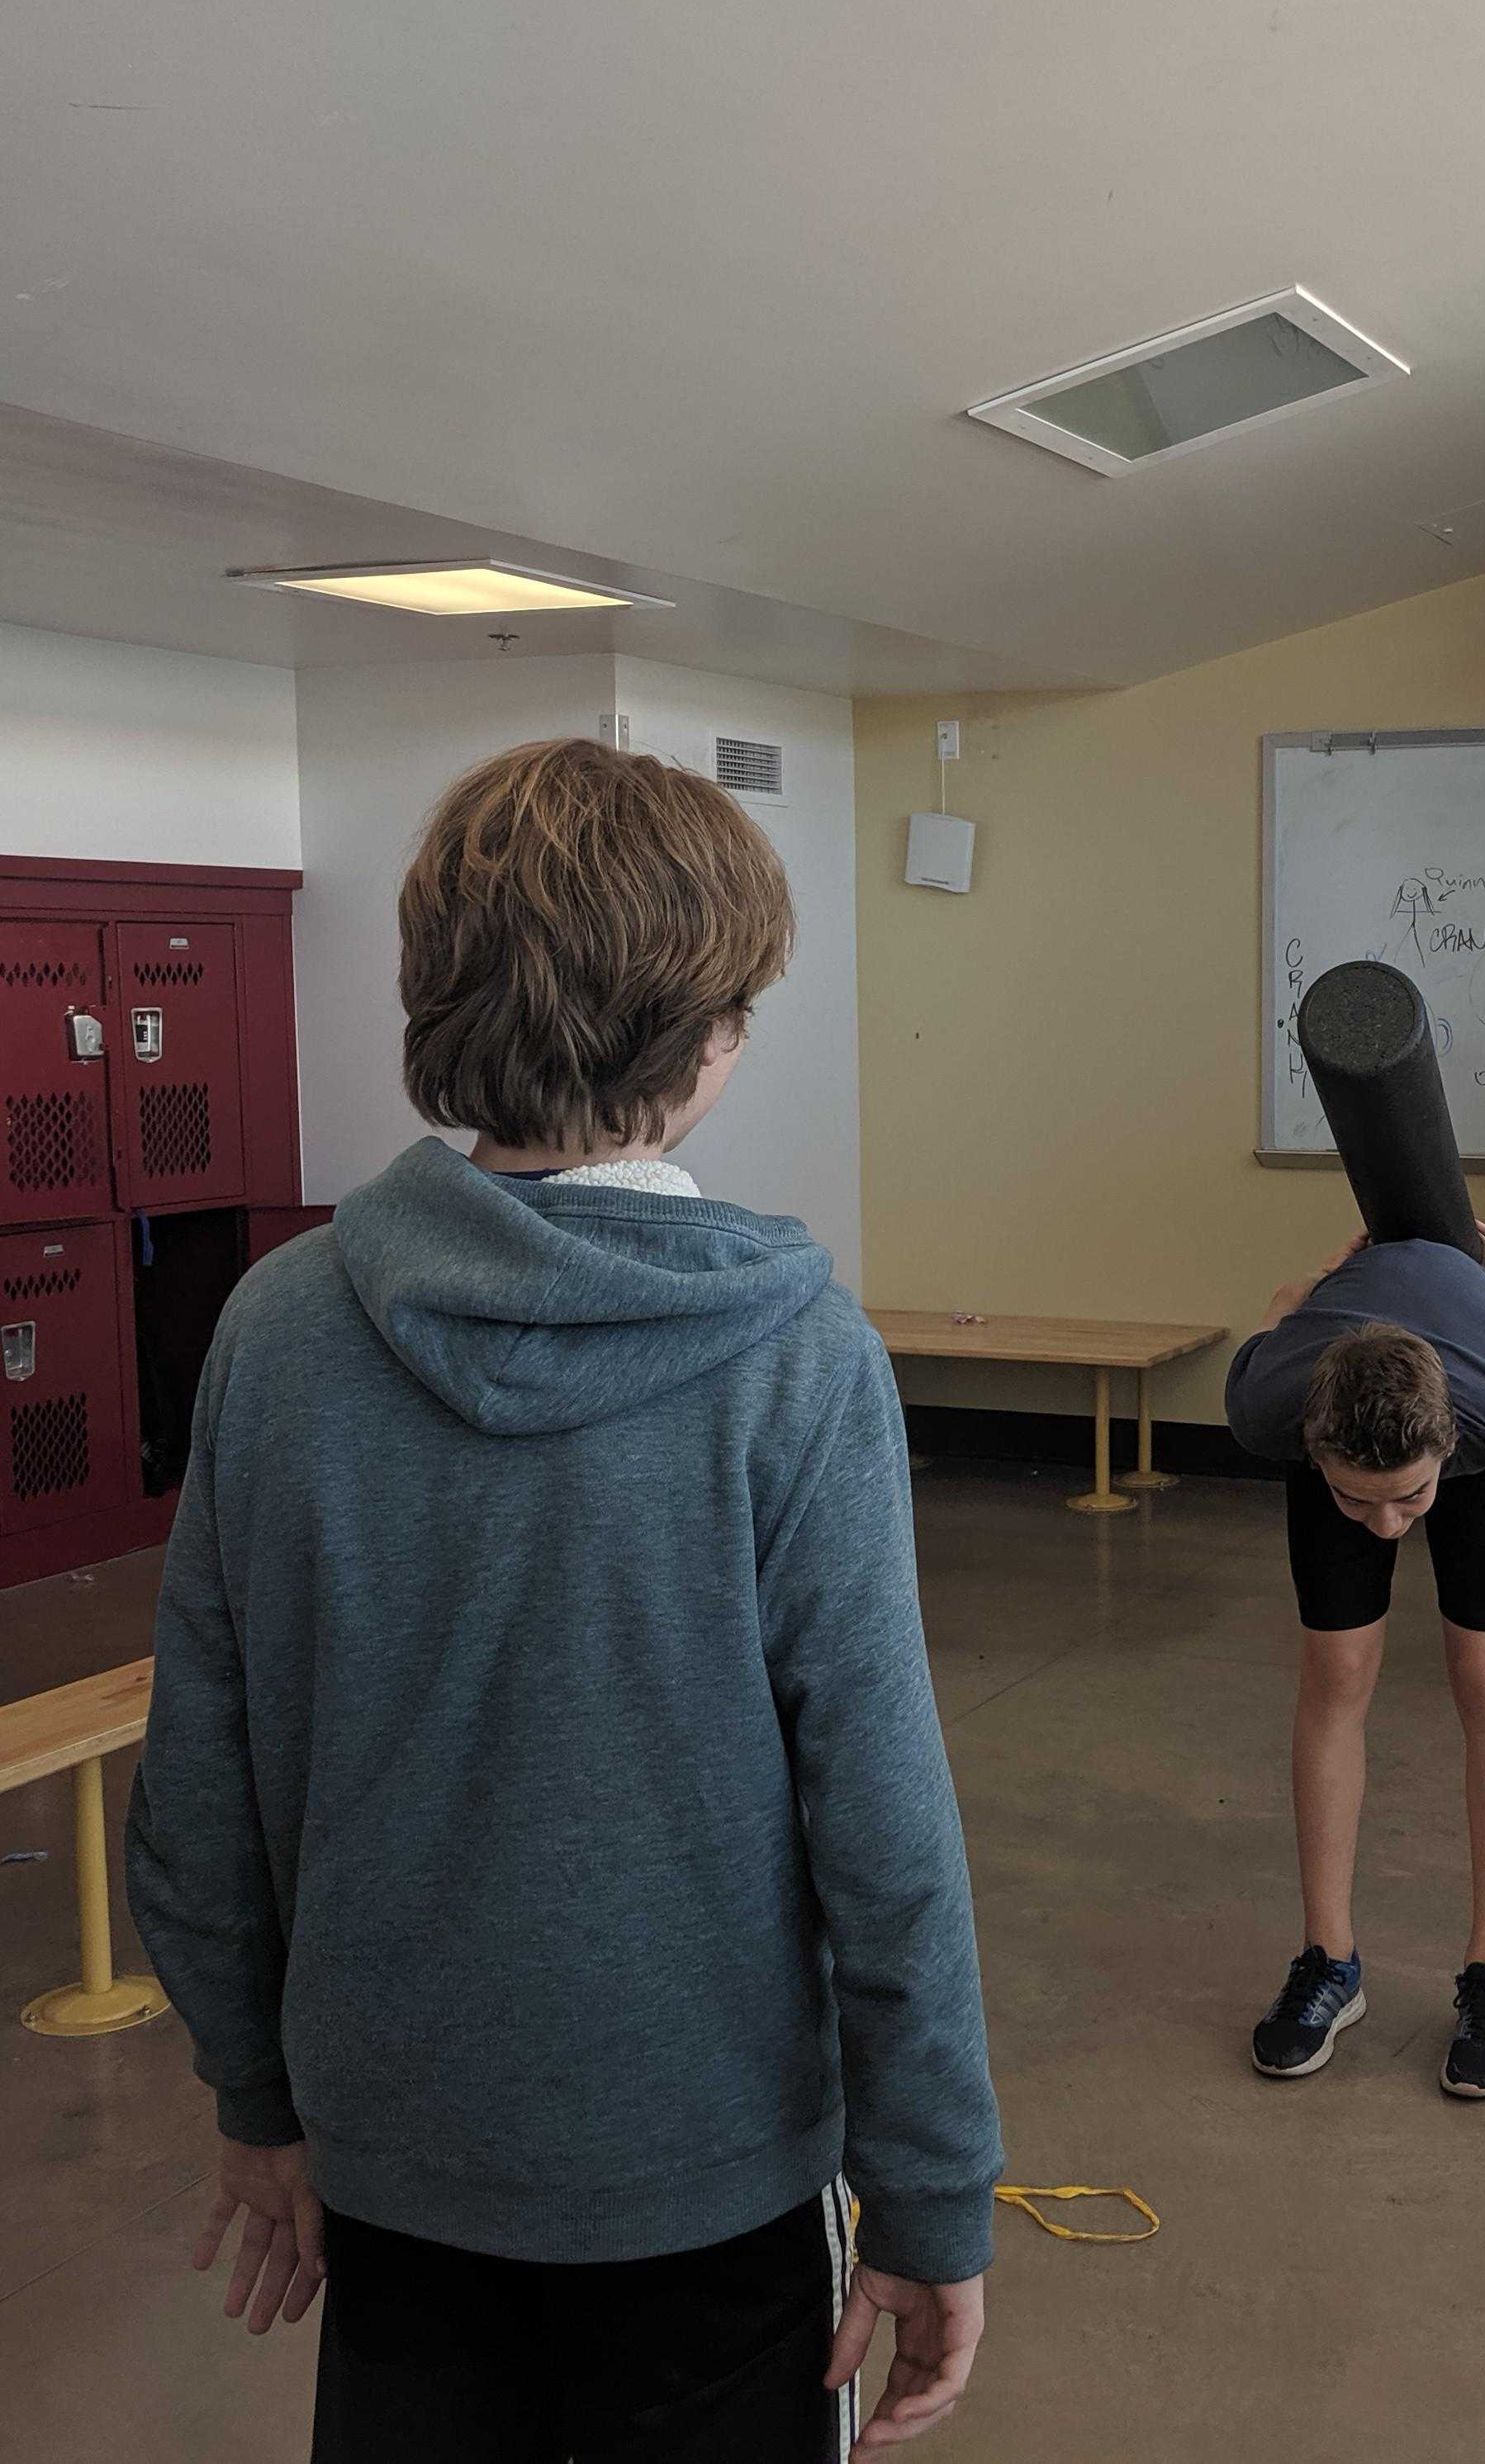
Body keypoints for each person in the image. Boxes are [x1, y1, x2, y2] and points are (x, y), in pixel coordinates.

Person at [126, 738, 1002, 2464]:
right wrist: (928, 2198)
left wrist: (256, 2094)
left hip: (390, 2159)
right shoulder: (796, 1362)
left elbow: (199, 1774)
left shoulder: (284, 1333)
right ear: (701, 1044)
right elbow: (883, 1827)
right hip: (711, 2185)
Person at [1226, 1220, 1485, 2103]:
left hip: (1481, 1432)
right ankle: (1327, 1961)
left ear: (1446, 1444)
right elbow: (1281, 1310)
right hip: (1344, 1358)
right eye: (1360, 1500)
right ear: (1312, 1451)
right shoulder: (1271, 1399)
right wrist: (1326, 1270)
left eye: (1406, 1499)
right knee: (1334, 1677)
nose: (1389, 1524)